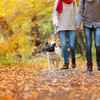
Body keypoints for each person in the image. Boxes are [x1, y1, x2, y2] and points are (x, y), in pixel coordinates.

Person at [52, 0, 77, 69]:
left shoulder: (73, 1)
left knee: (72, 45)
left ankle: (73, 59)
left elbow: (76, 13)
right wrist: (56, 22)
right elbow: (55, 13)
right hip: (61, 26)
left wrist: (77, 24)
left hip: (71, 26)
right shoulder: (58, 1)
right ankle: (66, 62)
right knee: (64, 45)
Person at [77, 0, 100, 71]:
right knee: (88, 45)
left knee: (98, 44)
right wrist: (78, 24)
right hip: (87, 24)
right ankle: (89, 64)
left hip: (98, 23)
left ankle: (99, 62)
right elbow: (80, 11)